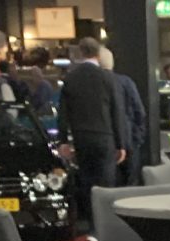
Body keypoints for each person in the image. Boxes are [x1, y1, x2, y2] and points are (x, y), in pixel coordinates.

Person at [57, 38, 123, 224]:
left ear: (80, 53)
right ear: (98, 54)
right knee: (106, 183)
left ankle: (92, 223)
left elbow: (63, 114)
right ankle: (106, 224)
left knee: (87, 182)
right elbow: (116, 112)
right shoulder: (107, 78)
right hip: (104, 137)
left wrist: (63, 141)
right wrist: (121, 144)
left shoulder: (70, 78)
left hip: (81, 137)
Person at [98, 47, 146, 185]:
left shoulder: (94, 85)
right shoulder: (125, 82)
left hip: (105, 142)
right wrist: (137, 138)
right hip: (129, 140)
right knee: (131, 184)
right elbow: (139, 111)